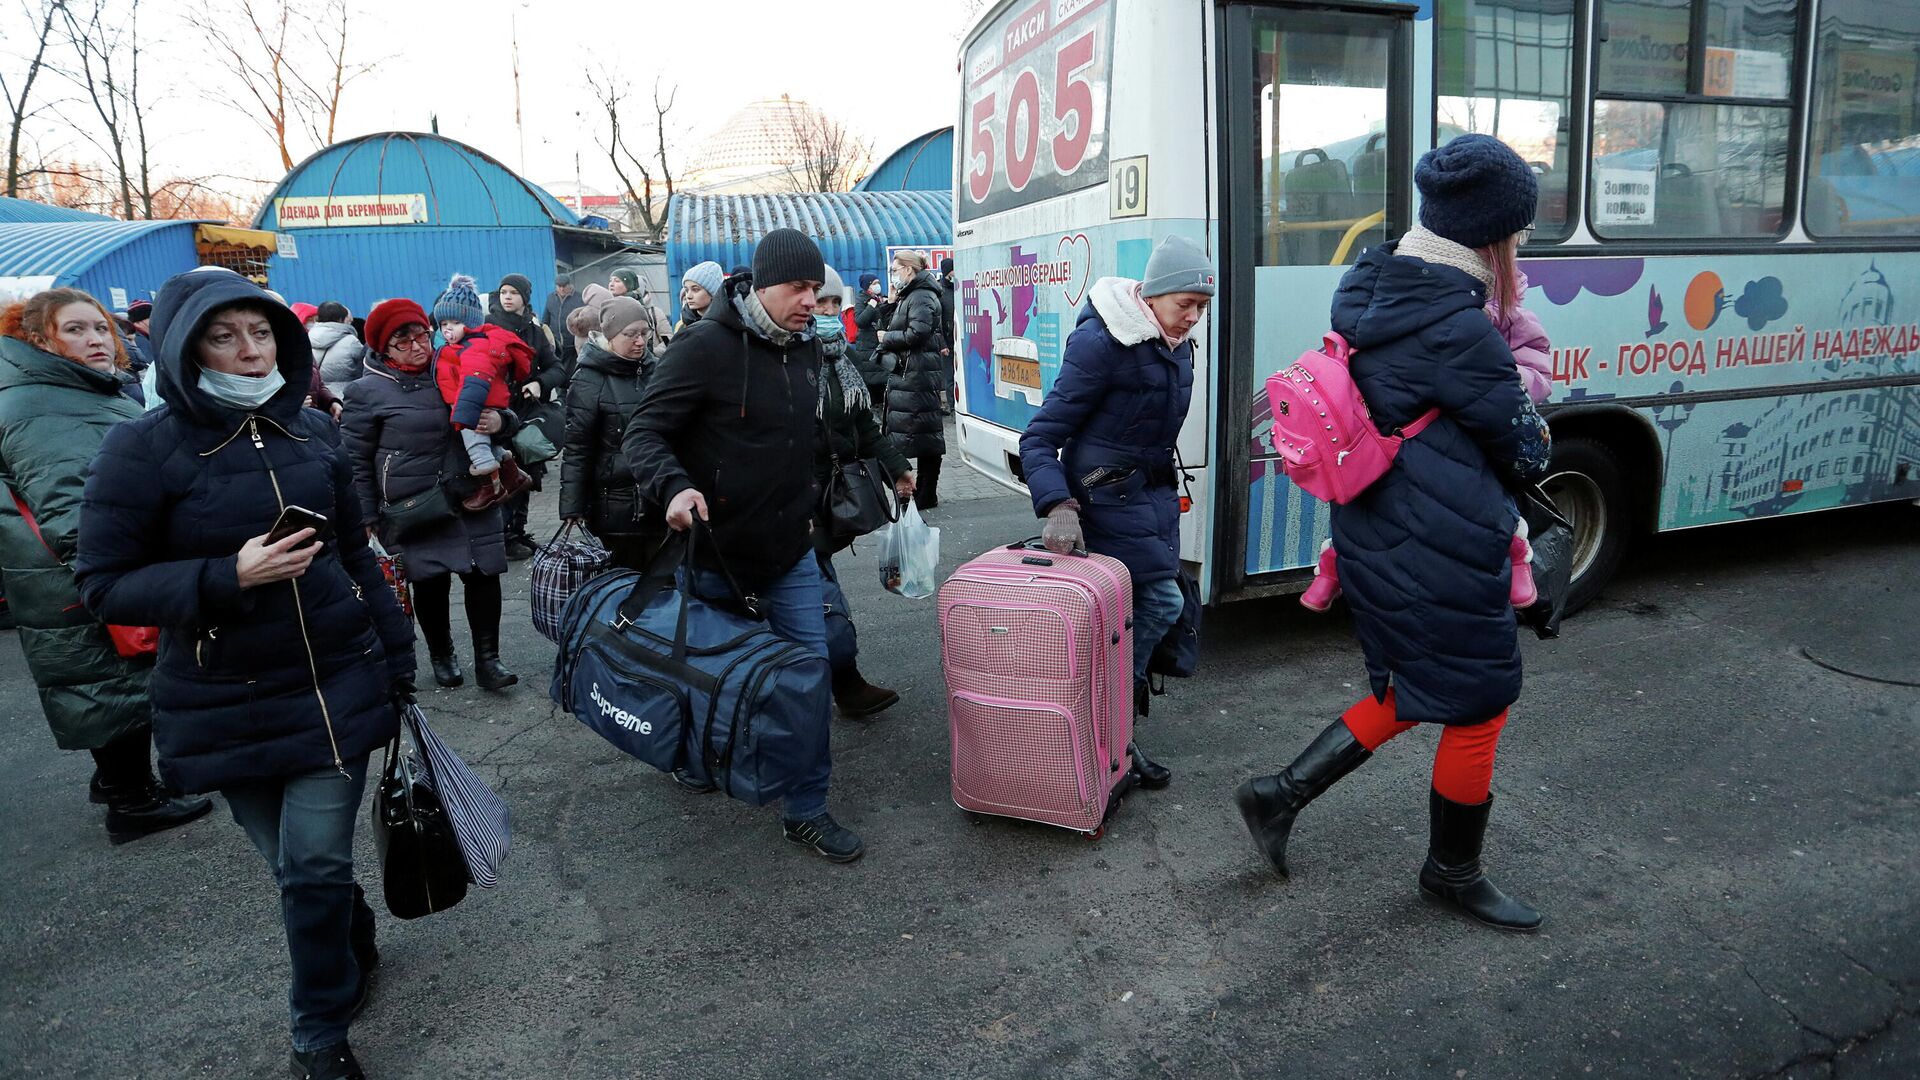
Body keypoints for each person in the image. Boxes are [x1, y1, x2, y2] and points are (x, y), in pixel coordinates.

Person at [74, 267, 415, 1080]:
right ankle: (348, 929)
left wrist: (398, 658)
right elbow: (102, 585)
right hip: (218, 695)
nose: (250, 351)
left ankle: (318, 1032)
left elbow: (354, 554)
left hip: (332, 686)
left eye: (260, 333)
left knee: (314, 863)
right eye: (224, 337)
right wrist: (227, 575)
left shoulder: (315, 431)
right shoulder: (140, 447)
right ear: (183, 348)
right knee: (296, 868)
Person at [1233, 134, 1554, 932]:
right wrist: (1522, 372)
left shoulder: (1374, 290)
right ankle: (1452, 872)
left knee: (1410, 687)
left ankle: (1278, 795)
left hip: (1378, 530)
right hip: (1440, 542)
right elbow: (1528, 449)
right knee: (1479, 701)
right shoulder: (1459, 327)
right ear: (1493, 236)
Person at [622, 228, 864, 863]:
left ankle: (806, 809)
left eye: (817, 289)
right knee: (707, 677)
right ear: (762, 286)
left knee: (808, 677)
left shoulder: (805, 350)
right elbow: (644, 432)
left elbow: (803, 441)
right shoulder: (703, 347)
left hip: (789, 555)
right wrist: (673, 486)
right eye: (799, 288)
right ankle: (697, 755)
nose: (811, 301)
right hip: (713, 557)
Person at [0, 287, 212, 842]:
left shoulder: (74, 390)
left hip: (72, 568)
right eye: (75, 330)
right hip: (77, 570)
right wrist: (110, 578)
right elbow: (70, 502)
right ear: (38, 339)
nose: (96, 339)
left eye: (100, 328)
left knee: (109, 676)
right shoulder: (43, 404)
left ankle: (119, 780)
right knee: (109, 680)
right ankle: (131, 799)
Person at [1021, 235, 1212, 793]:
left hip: (1149, 500)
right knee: (1160, 604)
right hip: (1102, 501)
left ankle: (1108, 736)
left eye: (1202, 307)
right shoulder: (1103, 343)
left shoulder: (1174, 346)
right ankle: (1104, 729)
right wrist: (1058, 505)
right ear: (1152, 296)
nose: (1193, 318)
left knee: (1136, 617)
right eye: (1185, 304)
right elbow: (1040, 438)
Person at [343, 298, 519, 693]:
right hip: (415, 504)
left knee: (483, 573)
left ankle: (489, 661)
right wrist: (366, 516)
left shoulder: (454, 362)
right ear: (383, 347)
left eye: (422, 335)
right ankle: (442, 655)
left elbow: (503, 404)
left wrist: (500, 421)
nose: (418, 346)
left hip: (472, 492)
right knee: (430, 581)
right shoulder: (366, 391)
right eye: (403, 341)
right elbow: (354, 460)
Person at [809, 266, 914, 716]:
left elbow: (864, 426)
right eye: (822, 302)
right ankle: (842, 683)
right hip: (799, 500)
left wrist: (898, 470)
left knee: (817, 592)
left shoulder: (841, 357)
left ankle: (840, 685)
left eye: (836, 303)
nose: (829, 311)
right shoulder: (789, 359)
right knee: (820, 596)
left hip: (832, 494)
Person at [560, 297, 664, 567]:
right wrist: (572, 505)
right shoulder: (588, 378)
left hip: (660, 501)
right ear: (610, 335)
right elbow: (577, 447)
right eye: (630, 334)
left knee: (664, 586)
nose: (640, 341)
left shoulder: (658, 371)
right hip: (614, 509)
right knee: (623, 583)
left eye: (644, 333)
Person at [431, 274, 533, 512]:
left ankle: (491, 487)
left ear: (471, 323)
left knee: (476, 447)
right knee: (486, 445)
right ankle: (513, 474)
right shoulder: (457, 347)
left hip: (472, 407)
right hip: (473, 405)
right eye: (443, 324)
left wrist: (463, 416)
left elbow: (474, 382)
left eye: (455, 323)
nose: (448, 329)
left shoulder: (474, 347)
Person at [486, 272, 563, 559]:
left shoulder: (533, 331)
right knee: (504, 475)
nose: (507, 297)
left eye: (514, 293)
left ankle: (518, 532)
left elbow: (557, 368)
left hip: (526, 413)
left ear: (525, 298)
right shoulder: (488, 327)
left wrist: (539, 383)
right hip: (497, 414)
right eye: (503, 292)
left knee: (526, 475)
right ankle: (503, 537)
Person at [876, 250, 948, 510]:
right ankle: (919, 491)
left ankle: (922, 492)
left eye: (895, 270)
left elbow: (917, 333)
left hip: (918, 375)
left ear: (909, 269)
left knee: (921, 436)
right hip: (912, 373)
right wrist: (890, 303)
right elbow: (895, 324)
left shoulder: (921, 296)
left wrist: (887, 339)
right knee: (918, 434)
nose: (893, 275)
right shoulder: (910, 294)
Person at [311, 302, 367, 400]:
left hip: (320, 398)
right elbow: (366, 364)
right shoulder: (351, 341)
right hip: (347, 397)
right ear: (341, 319)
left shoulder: (309, 337)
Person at [848, 273, 891, 402]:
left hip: (881, 343)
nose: (878, 286)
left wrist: (888, 304)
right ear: (867, 286)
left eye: (878, 282)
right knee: (871, 379)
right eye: (874, 283)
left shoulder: (881, 299)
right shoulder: (861, 300)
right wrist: (871, 306)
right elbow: (860, 321)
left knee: (883, 377)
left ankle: (883, 405)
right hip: (867, 346)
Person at [541, 271, 585, 368]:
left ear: (570, 285)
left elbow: (585, 321)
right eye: (559, 286)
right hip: (556, 345)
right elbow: (545, 320)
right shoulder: (551, 298)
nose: (561, 289)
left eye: (564, 286)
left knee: (573, 370)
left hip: (573, 345)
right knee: (558, 369)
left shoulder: (580, 298)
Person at [675, 261, 723, 334]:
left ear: (713, 293)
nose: (688, 296)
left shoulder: (727, 325)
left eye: (695, 290)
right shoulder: (682, 326)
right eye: (686, 290)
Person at [937, 257, 958, 414]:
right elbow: (937, 321)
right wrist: (942, 343)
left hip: (960, 339)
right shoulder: (940, 292)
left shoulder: (958, 288)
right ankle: (952, 406)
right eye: (952, 270)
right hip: (948, 341)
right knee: (949, 376)